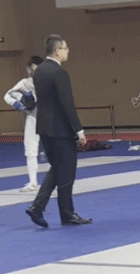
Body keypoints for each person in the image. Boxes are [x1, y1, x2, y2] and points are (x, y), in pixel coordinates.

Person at [26, 35, 91, 228]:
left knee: (57, 168)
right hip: (61, 129)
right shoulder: (59, 72)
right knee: (67, 171)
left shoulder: (39, 71)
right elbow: (67, 104)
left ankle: (39, 207)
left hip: (44, 127)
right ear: (57, 51)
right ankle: (65, 213)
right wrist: (79, 130)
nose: (67, 51)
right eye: (65, 48)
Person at [5, 56, 45, 192]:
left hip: (49, 118)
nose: (34, 72)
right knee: (30, 150)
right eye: (33, 69)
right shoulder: (24, 83)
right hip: (32, 118)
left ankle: (58, 180)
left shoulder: (49, 82)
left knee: (55, 149)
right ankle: (33, 182)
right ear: (28, 69)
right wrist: (16, 102)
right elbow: (7, 95)